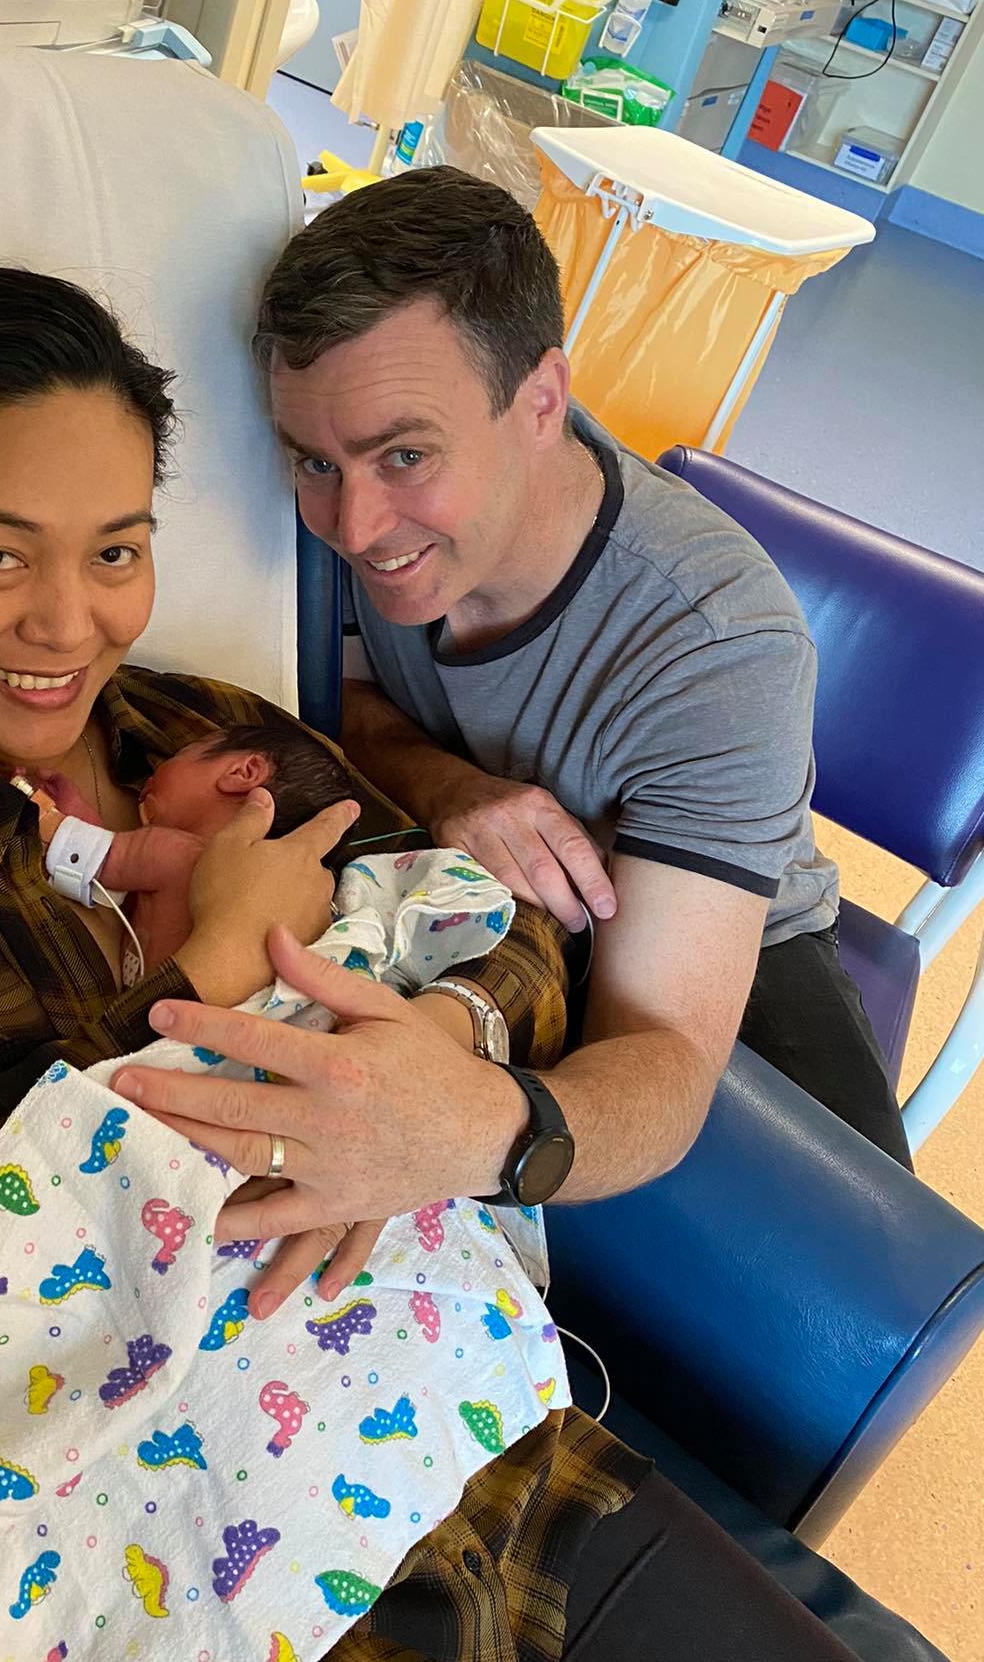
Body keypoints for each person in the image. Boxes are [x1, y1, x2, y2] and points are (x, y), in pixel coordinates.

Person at [0, 264, 962, 1662]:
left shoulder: (205, 738)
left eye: (119, 549)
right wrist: (191, 993)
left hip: (490, 1472)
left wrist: (439, 1060)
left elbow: (500, 929)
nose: (69, 625)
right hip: (179, 1603)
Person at [232, 161, 907, 1169]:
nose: (354, 526)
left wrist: (465, 1134)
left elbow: (666, 1053)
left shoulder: (721, 643)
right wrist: (456, 785)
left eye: (407, 456)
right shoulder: (342, 502)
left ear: (542, 398)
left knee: (861, 1277)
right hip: (481, 872)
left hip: (707, 912)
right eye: (317, 463)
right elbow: (352, 704)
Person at [21, 719, 362, 970]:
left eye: (183, 752)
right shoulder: (283, 901)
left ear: (243, 773)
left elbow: (85, 856)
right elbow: (110, 874)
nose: (153, 774)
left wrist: (35, 801)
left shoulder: (179, 854)